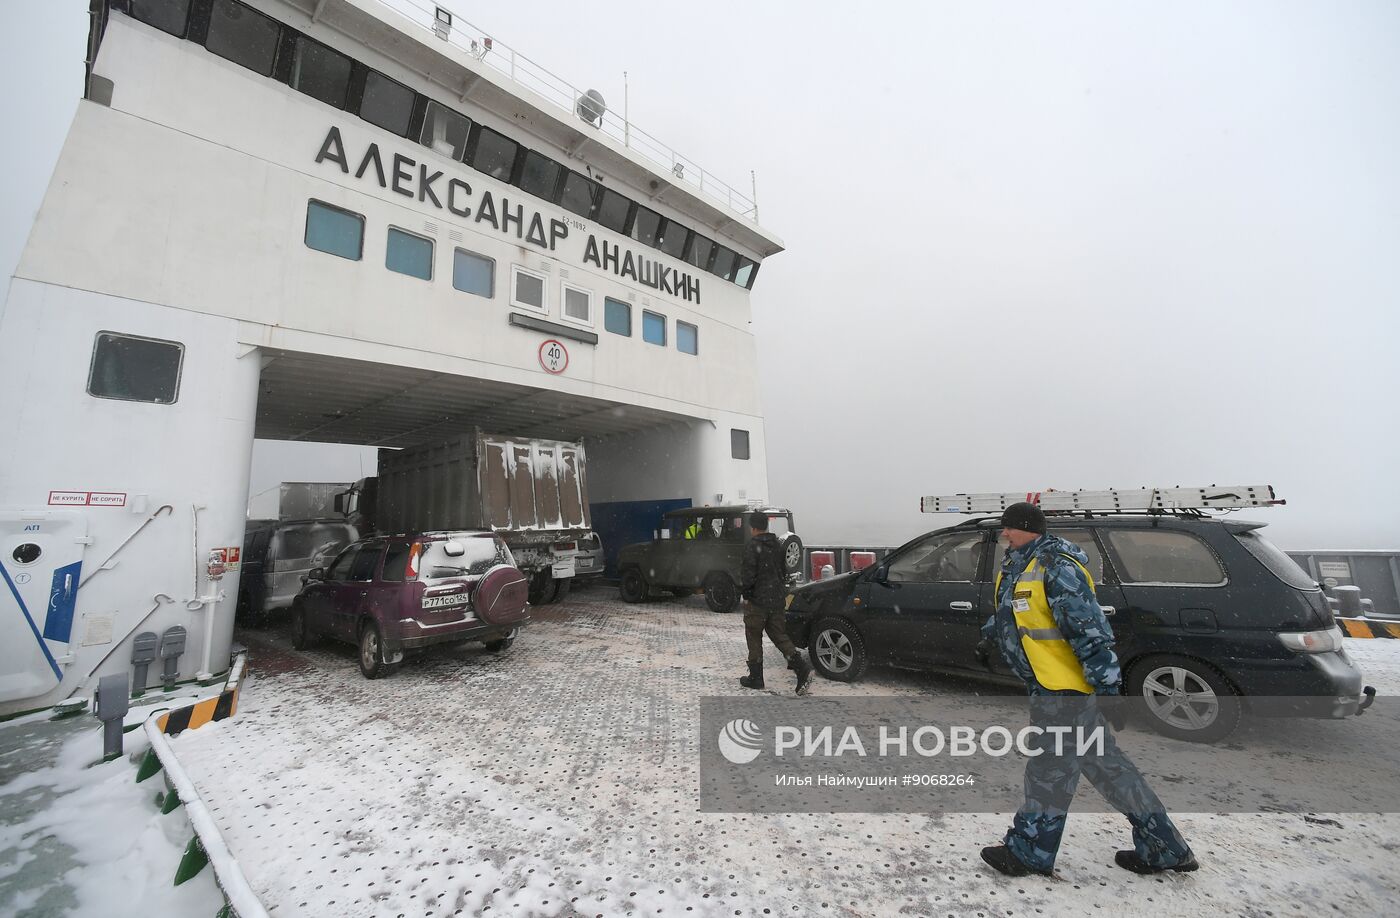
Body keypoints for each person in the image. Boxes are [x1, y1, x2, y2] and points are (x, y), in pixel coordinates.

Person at [978, 502, 1197, 878]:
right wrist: (990, 637)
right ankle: (1165, 848)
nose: (1004, 535)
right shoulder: (1019, 563)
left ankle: (1029, 852)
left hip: (1064, 691)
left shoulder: (1058, 567)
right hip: (1050, 686)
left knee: (1049, 771)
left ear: (1025, 528)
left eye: (1008, 529)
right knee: (1109, 769)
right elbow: (1014, 612)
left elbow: (1090, 632)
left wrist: (1108, 687)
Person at [738, 512, 813, 695]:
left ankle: (756, 677)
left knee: (754, 636)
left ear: (754, 528)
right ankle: (801, 667)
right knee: (779, 635)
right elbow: (783, 571)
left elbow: (748, 575)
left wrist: (746, 595)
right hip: (776, 599)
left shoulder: (752, 546)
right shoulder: (778, 545)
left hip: (757, 601)